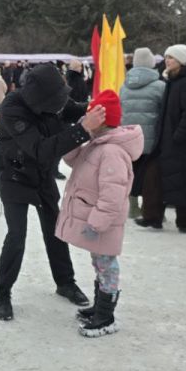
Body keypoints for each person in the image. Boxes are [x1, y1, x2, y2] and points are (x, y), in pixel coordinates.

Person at [0, 63, 103, 321]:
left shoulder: (55, 101)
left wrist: (96, 106)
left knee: (56, 226)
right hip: (13, 172)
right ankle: (2, 292)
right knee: (17, 234)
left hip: (40, 173)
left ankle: (65, 282)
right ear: (39, 98)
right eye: (55, 101)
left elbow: (74, 108)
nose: (59, 105)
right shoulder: (13, 108)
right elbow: (40, 148)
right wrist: (83, 129)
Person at [55, 90, 143, 337]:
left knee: (107, 265)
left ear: (103, 120)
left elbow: (112, 195)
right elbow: (72, 159)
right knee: (100, 263)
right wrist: (80, 132)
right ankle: (100, 307)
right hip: (98, 222)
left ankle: (106, 316)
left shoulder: (111, 151)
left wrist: (96, 222)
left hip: (103, 224)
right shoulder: (97, 143)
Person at [138, 44, 186, 233]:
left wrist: (179, 136)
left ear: (182, 61)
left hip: (181, 142)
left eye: (172, 58)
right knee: (155, 176)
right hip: (167, 140)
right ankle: (152, 216)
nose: (167, 61)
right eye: (167, 57)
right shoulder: (173, 80)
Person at [119, 47, 165, 220]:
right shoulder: (160, 86)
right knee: (150, 175)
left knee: (131, 172)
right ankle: (149, 207)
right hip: (150, 138)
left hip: (129, 138)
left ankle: (132, 206)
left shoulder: (124, 86)